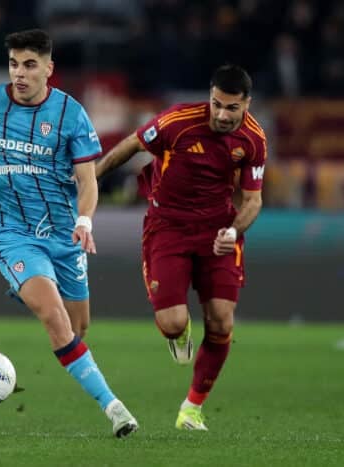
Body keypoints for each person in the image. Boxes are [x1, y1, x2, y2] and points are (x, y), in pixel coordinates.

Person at [0, 29, 138, 438]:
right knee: (53, 317)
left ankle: (39, 301)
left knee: (78, 330)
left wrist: (84, 222)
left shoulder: (70, 115)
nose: (20, 73)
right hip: (12, 233)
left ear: (49, 69)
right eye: (14, 64)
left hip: (64, 234)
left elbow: (87, 181)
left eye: (30, 65)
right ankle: (114, 408)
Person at [95, 65, 266, 431]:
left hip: (218, 230)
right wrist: (90, 179)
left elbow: (253, 200)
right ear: (210, 97)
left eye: (232, 108)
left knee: (221, 320)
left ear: (247, 104)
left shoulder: (253, 139)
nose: (222, 114)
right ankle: (179, 333)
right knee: (172, 323)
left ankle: (192, 408)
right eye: (217, 104)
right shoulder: (178, 121)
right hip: (168, 227)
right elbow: (132, 144)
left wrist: (234, 231)